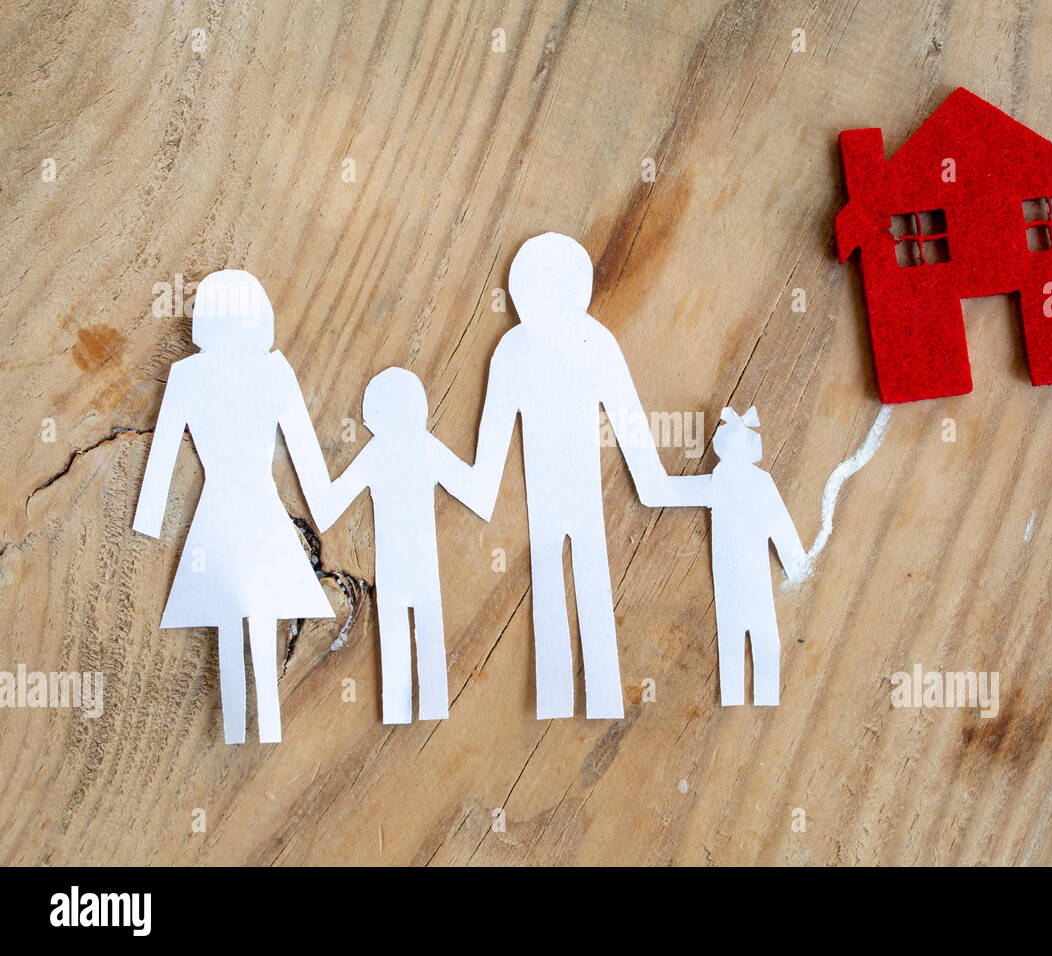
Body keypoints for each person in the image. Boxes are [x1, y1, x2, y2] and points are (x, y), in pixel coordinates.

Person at [471, 233, 707, 719]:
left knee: (586, 574)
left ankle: (593, 693)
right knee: (565, 575)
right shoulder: (523, 348)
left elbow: (631, 433)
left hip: (575, 494)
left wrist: (668, 486)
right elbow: (490, 456)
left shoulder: (580, 343)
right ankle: (564, 694)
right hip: (551, 494)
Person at [133, 270, 335, 744]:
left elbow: (164, 449)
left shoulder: (192, 374)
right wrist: (325, 503)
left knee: (231, 610)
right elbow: (303, 449)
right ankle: (260, 722)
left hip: (224, 508)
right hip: (247, 504)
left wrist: (150, 519)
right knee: (254, 605)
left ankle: (251, 724)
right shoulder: (269, 370)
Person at [314, 367, 489, 723]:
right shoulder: (419, 447)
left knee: (402, 629)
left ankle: (413, 706)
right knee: (419, 625)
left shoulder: (382, 451)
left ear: (373, 416)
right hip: (412, 565)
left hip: (397, 566)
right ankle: (420, 704)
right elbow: (473, 489)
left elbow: (331, 502)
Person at [704, 406, 805, 706]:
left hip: (741, 575)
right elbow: (782, 526)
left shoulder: (740, 482)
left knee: (752, 636)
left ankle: (754, 695)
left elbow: (780, 524)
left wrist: (796, 563)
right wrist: (797, 565)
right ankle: (742, 696)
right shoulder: (724, 482)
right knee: (750, 636)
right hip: (737, 575)